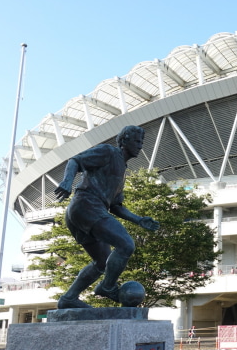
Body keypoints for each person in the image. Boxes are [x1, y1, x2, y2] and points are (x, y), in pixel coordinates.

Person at [54, 125, 161, 309]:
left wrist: (139, 219)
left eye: (141, 142)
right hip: (87, 204)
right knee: (126, 245)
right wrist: (67, 181)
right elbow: (75, 161)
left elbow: (116, 207)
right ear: (124, 140)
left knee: (102, 262)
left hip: (87, 211)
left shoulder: (121, 172)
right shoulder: (109, 152)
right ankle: (107, 286)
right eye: (137, 141)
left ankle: (69, 298)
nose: (140, 146)